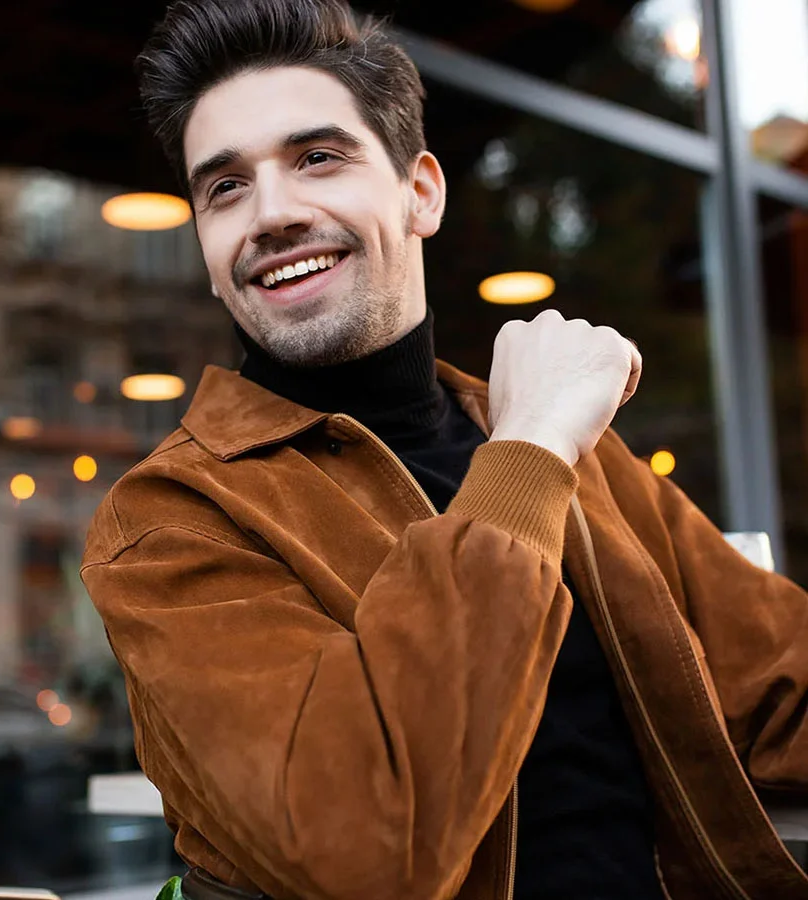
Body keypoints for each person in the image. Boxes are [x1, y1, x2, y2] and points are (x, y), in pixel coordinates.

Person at [80, 1, 808, 898]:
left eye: (316, 157)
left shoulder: (557, 444)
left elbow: (783, 692)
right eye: (224, 186)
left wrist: (537, 439)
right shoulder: (173, 516)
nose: (269, 213)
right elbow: (373, 847)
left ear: (420, 191)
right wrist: (533, 447)